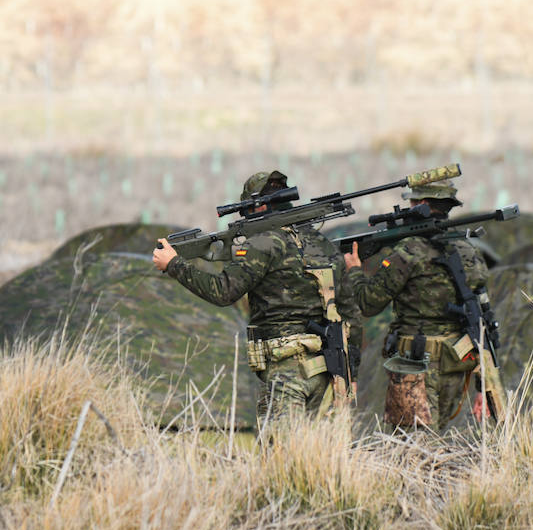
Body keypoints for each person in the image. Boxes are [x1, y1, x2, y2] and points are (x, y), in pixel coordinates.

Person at [152, 170, 363, 428]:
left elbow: (222, 291)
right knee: (325, 457)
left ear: (257, 205)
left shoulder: (262, 244)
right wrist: (352, 370)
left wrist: (174, 264)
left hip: (286, 370)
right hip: (330, 369)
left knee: (281, 456)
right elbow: (351, 312)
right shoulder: (323, 243)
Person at [342, 179, 499, 430]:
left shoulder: (409, 252)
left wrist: (355, 272)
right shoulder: (467, 250)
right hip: (456, 361)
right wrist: (485, 383)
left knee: (411, 446)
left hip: (415, 366)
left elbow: (369, 303)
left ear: (422, 204)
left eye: (412, 201)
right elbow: (482, 315)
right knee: (433, 438)